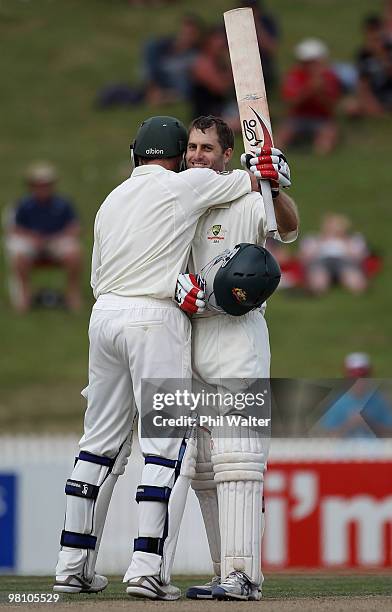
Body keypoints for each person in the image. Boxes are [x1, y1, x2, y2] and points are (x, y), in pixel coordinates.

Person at [53, 116, 260, 600]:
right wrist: (264, 167)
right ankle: (146, 566)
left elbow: (96, 275)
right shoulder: (183, 185)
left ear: (134, 155)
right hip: (154, 316)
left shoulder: (110, 200)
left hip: (103, 316)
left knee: (98, 443)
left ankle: (72, 565)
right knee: (166, 443)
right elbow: (250, 180)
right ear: (175, 156)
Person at [176, 116, 298, 601]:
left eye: (207, 148)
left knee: (239, 462)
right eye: (191, 148)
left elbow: (287, 228)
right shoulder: (178, 203)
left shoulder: (248, 199)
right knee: (206, 468)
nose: (197, 156)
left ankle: (246, 576)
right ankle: (223, 571)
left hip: (238, 338)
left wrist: (276, 184)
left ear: (227, 155)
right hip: (191, 340)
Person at [5, 162, 82, 312]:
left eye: (46, 184)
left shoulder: (63, 204)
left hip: (56, 240)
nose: (43, 188)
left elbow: (74, 227)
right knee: (19, 253)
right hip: (33, 243)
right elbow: (15, 229)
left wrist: (57, 237)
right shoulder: (24, 205)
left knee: (74, 253)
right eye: (39, 185)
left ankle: (73, 293)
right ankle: (24, 295)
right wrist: (33, 237)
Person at [276, 38, 341, 155]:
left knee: (327, 138)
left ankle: (319, 162)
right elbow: (290, 103)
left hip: (322, 119)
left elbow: (332, 107)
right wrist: (310, 89)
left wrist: (320, 92)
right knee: (280, 138)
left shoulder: (330, 77)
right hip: (297, 118)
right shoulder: (294, 75)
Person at [317, 353, 392, 438]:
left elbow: (389, 433)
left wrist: (368, 422)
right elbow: (327, 436)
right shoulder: (338, 403)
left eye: (363, 376)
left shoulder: (379, 401)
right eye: (353, 376)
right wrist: (349, 424)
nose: (359, 381)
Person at [299, 213, 368, 295]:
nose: (333, 229)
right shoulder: (313, 238)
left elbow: (359, 257)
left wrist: (345, 240)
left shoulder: (354, 238)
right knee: (319, 277)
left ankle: (359, 288)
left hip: (344, 261)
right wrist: (321, 241)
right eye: (330, 225)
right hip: (321, 261)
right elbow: (304, 258)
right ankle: (316, 290)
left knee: (351, 276)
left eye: (336, 225)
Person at [349, 14, 392, 116]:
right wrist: (370, 103)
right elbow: (362, 84)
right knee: (351, 108)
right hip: (376, 94)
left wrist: (381, 56)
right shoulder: (363, 54)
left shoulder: (389, 49)